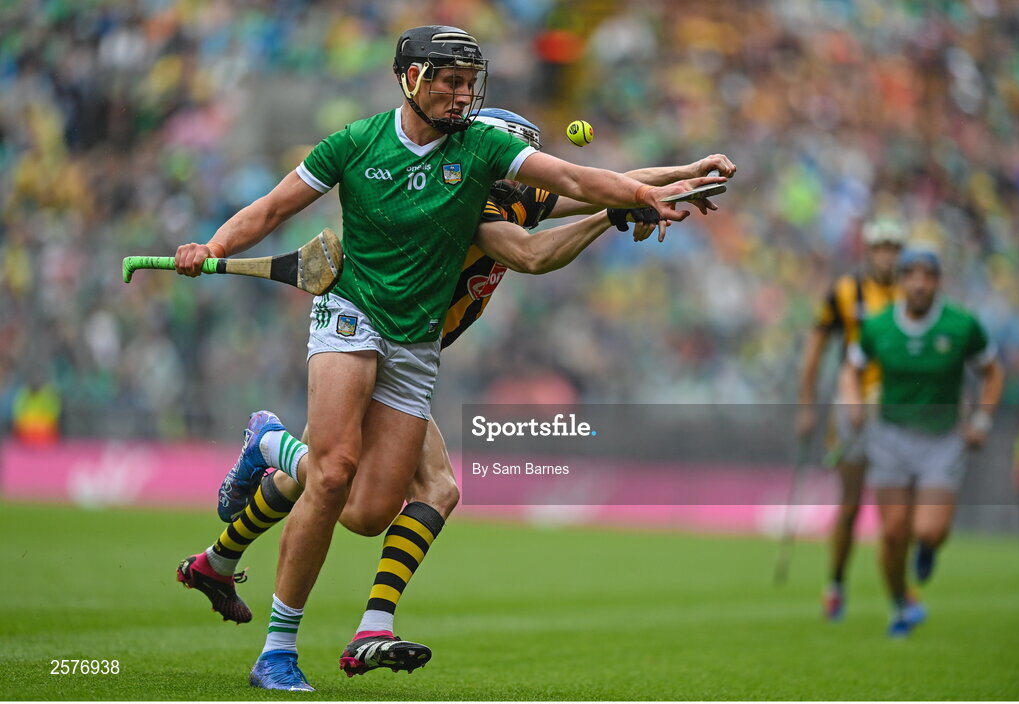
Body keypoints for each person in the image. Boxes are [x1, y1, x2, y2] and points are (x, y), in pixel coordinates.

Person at [173, 25, 733, 691]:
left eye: (471, 83)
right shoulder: (382, 156)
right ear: (413, 77)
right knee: (337, 472)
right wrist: (212, 244)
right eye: (452, 80)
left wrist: (680, 177)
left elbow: (589, 181)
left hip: (414, 345)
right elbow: (534, 251)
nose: (463, 93)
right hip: (352, 314)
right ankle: (281, 649)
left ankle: (266, 458)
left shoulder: (486, 165)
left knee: (368, 510)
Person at [840, 246, 1004, 637]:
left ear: (937, 281)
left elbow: (992, 372)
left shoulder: (961, 325)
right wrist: (854, 404)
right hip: (891, 436)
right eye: (911, 275)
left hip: (942, 439)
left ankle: (928, 548)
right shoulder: (879, 327)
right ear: (901, 281)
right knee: (894, 532)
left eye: (927, 275)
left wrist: (981, 419)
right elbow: (852, 368)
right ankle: (899, 604)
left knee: (929, 531)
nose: (918, 283)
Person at [796, 217, 905, 621]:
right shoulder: (846, 292)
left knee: (897, 510)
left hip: (898, 408)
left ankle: (899, 588)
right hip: (854, 405)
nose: (887, 256)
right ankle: (836, 582)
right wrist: (806, 406)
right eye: (881, 248)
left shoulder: (913, 295)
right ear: (869, 251)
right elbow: (816, 351)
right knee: (851, 504)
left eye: (894, 249)